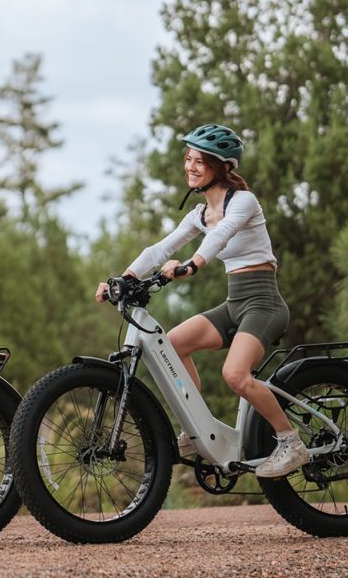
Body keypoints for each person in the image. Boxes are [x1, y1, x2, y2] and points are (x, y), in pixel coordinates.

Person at [96, 124, 308, 478]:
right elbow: (161, 248)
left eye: (200, 161)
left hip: (264, 303)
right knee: (172, 346)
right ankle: (196, 428)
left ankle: (290, 442)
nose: (190, 167)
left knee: (235, 375)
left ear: (221, 166)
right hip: (234, 302)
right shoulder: (197, 215)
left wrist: (193, 264)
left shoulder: (243, 201)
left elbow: (223, 235)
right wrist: (124, 278)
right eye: (188, 159)